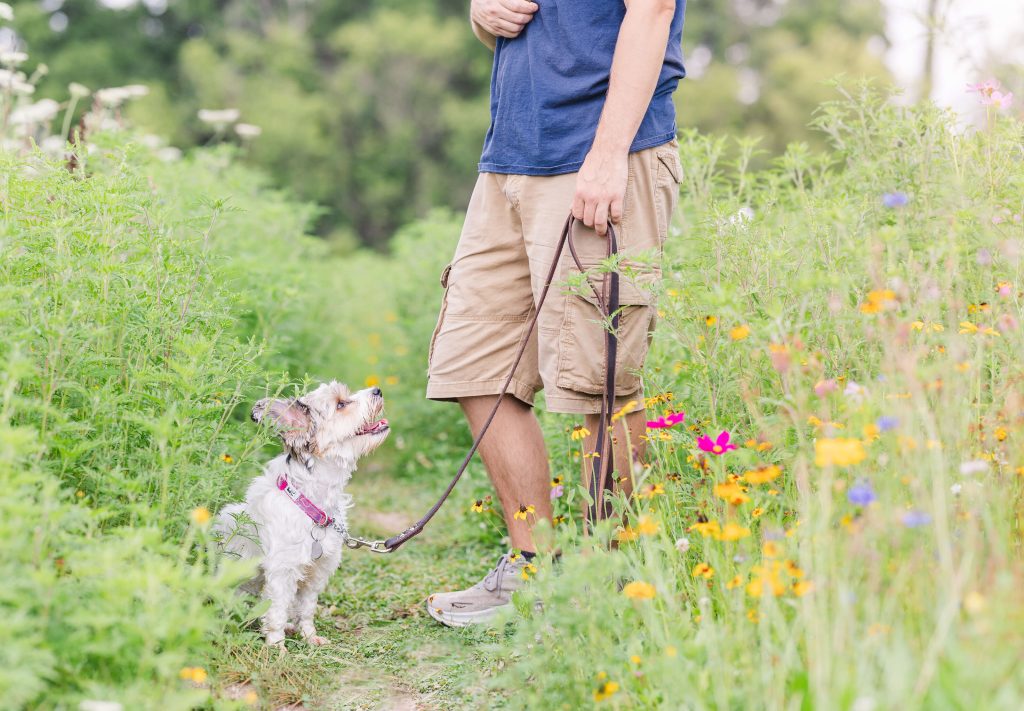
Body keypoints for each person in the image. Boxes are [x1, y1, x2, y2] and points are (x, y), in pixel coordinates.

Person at [424, 0, 686, 627]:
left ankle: (621, 584)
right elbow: (510, 29)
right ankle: (535, 571)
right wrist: (481, 12)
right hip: (509, 160)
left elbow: (652, 11)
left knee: (598, 380)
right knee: (474, 365)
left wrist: (606, 157)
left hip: (599, 159)